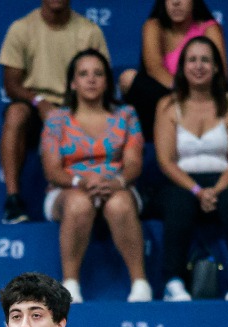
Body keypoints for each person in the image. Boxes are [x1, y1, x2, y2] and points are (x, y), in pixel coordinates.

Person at [40, 48, 151, 303]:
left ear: (107, 81)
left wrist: (117, 183)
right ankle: (70, 286)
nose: (91, 79)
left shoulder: (127, 115)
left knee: (120, 203)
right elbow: (52, 170)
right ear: (73, 82)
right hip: (68, 189)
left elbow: (134, 163)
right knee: (79, 204)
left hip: (118, 185)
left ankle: (140, 284)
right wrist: (81, 182)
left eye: (98, 74)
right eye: (84, 74)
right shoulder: (56, 119)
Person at [153, 34, 228, 301]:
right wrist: (198, 190)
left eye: (205, 60)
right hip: (182, 181)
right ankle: (173, 283)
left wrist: (216, 189)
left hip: (223, 180)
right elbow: (165, 161)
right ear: (182, 67)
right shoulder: (167, 105)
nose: (199, 66)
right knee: (178, 203)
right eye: (192, 60)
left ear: (217, 67)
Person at [0, 0, 110, 224]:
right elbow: (11, 85)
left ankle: (97, 195)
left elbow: (101, 78)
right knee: (15, 114)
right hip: (35, 107)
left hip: (76, 106)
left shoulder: (89, 31)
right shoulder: (21, 28)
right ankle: (13, 200)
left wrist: (70, 110)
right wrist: (39, 102)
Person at [119, 0, 226, 141]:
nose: (176, 2)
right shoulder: (153, 26)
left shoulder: (210, 29)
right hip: (166, 98)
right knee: (128, 78)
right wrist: (184, 95)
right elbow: (154, 69)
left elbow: (221, 74)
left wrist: (194, 96)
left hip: (202, 98)